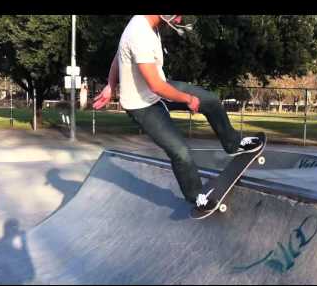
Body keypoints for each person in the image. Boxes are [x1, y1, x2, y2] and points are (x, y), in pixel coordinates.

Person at [93, 15, 262, 213]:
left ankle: (233, 143)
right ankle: (195, 196)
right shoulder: (138, 33)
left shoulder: (147, 23)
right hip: (142, 105)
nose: (179, 17)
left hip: (159, 90)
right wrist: (188, 99)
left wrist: (111, 85)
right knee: (180, 151)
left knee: (211, 101)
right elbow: (156, 86)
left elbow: (118, 55)